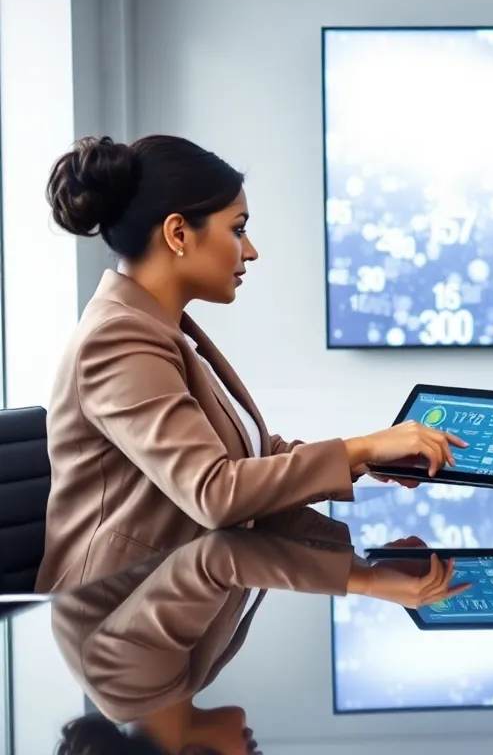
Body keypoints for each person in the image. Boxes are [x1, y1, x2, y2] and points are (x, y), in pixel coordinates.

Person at [36, 135, 465, 594]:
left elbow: (249, 459)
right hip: (114, 612)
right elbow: (216, 492)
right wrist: (359, 449)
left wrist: (366, 457)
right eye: (238, 229)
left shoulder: (161, 328)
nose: (251, 250)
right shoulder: (118, 340)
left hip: (174, 593)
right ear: (178, 234)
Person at [51, 524, 464, 755]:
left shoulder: (126, 680)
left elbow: (221, 554)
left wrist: (368, 581)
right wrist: (363, 563)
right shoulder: (184, 680)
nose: (256, 751)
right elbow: (251, 534)